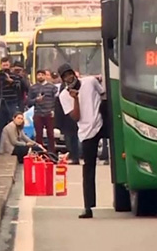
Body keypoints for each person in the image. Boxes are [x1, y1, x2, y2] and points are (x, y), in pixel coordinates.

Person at [58, 63, 105, 219]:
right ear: (63, 80)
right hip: (86, 132)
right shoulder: (64, 96)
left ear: (74, 74)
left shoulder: (90, 81)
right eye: (65, 77)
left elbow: (103, 93)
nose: (69, 78)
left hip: (102, 123)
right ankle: (88, 207)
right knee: (88, 169)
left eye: (70, 74)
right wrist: (76, 99)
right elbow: (76, 117)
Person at [28, 70, 58, 153]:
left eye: (42, 75)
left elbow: (56, 100)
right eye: (38, 75)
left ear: (45, 76)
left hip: (49, 113)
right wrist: (36, 100)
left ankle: (52, 153)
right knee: (38, 135)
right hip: (38, 113)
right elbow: (28, 102)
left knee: (51, 135)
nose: (40, 76)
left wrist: (53, 110)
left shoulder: (52, 87)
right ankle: (39, 153)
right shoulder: (33, 88)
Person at [0, 57, 24, 141]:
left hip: (12, 103)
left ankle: (15, 144)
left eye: (7, 63)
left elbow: (19, 89)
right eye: (3, 64)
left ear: (9, 64)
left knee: (14, 125)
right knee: (0, 126)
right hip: (1, 103)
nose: (5, 65)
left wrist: (11, 82)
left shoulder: (15, 76)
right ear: (1, 65)